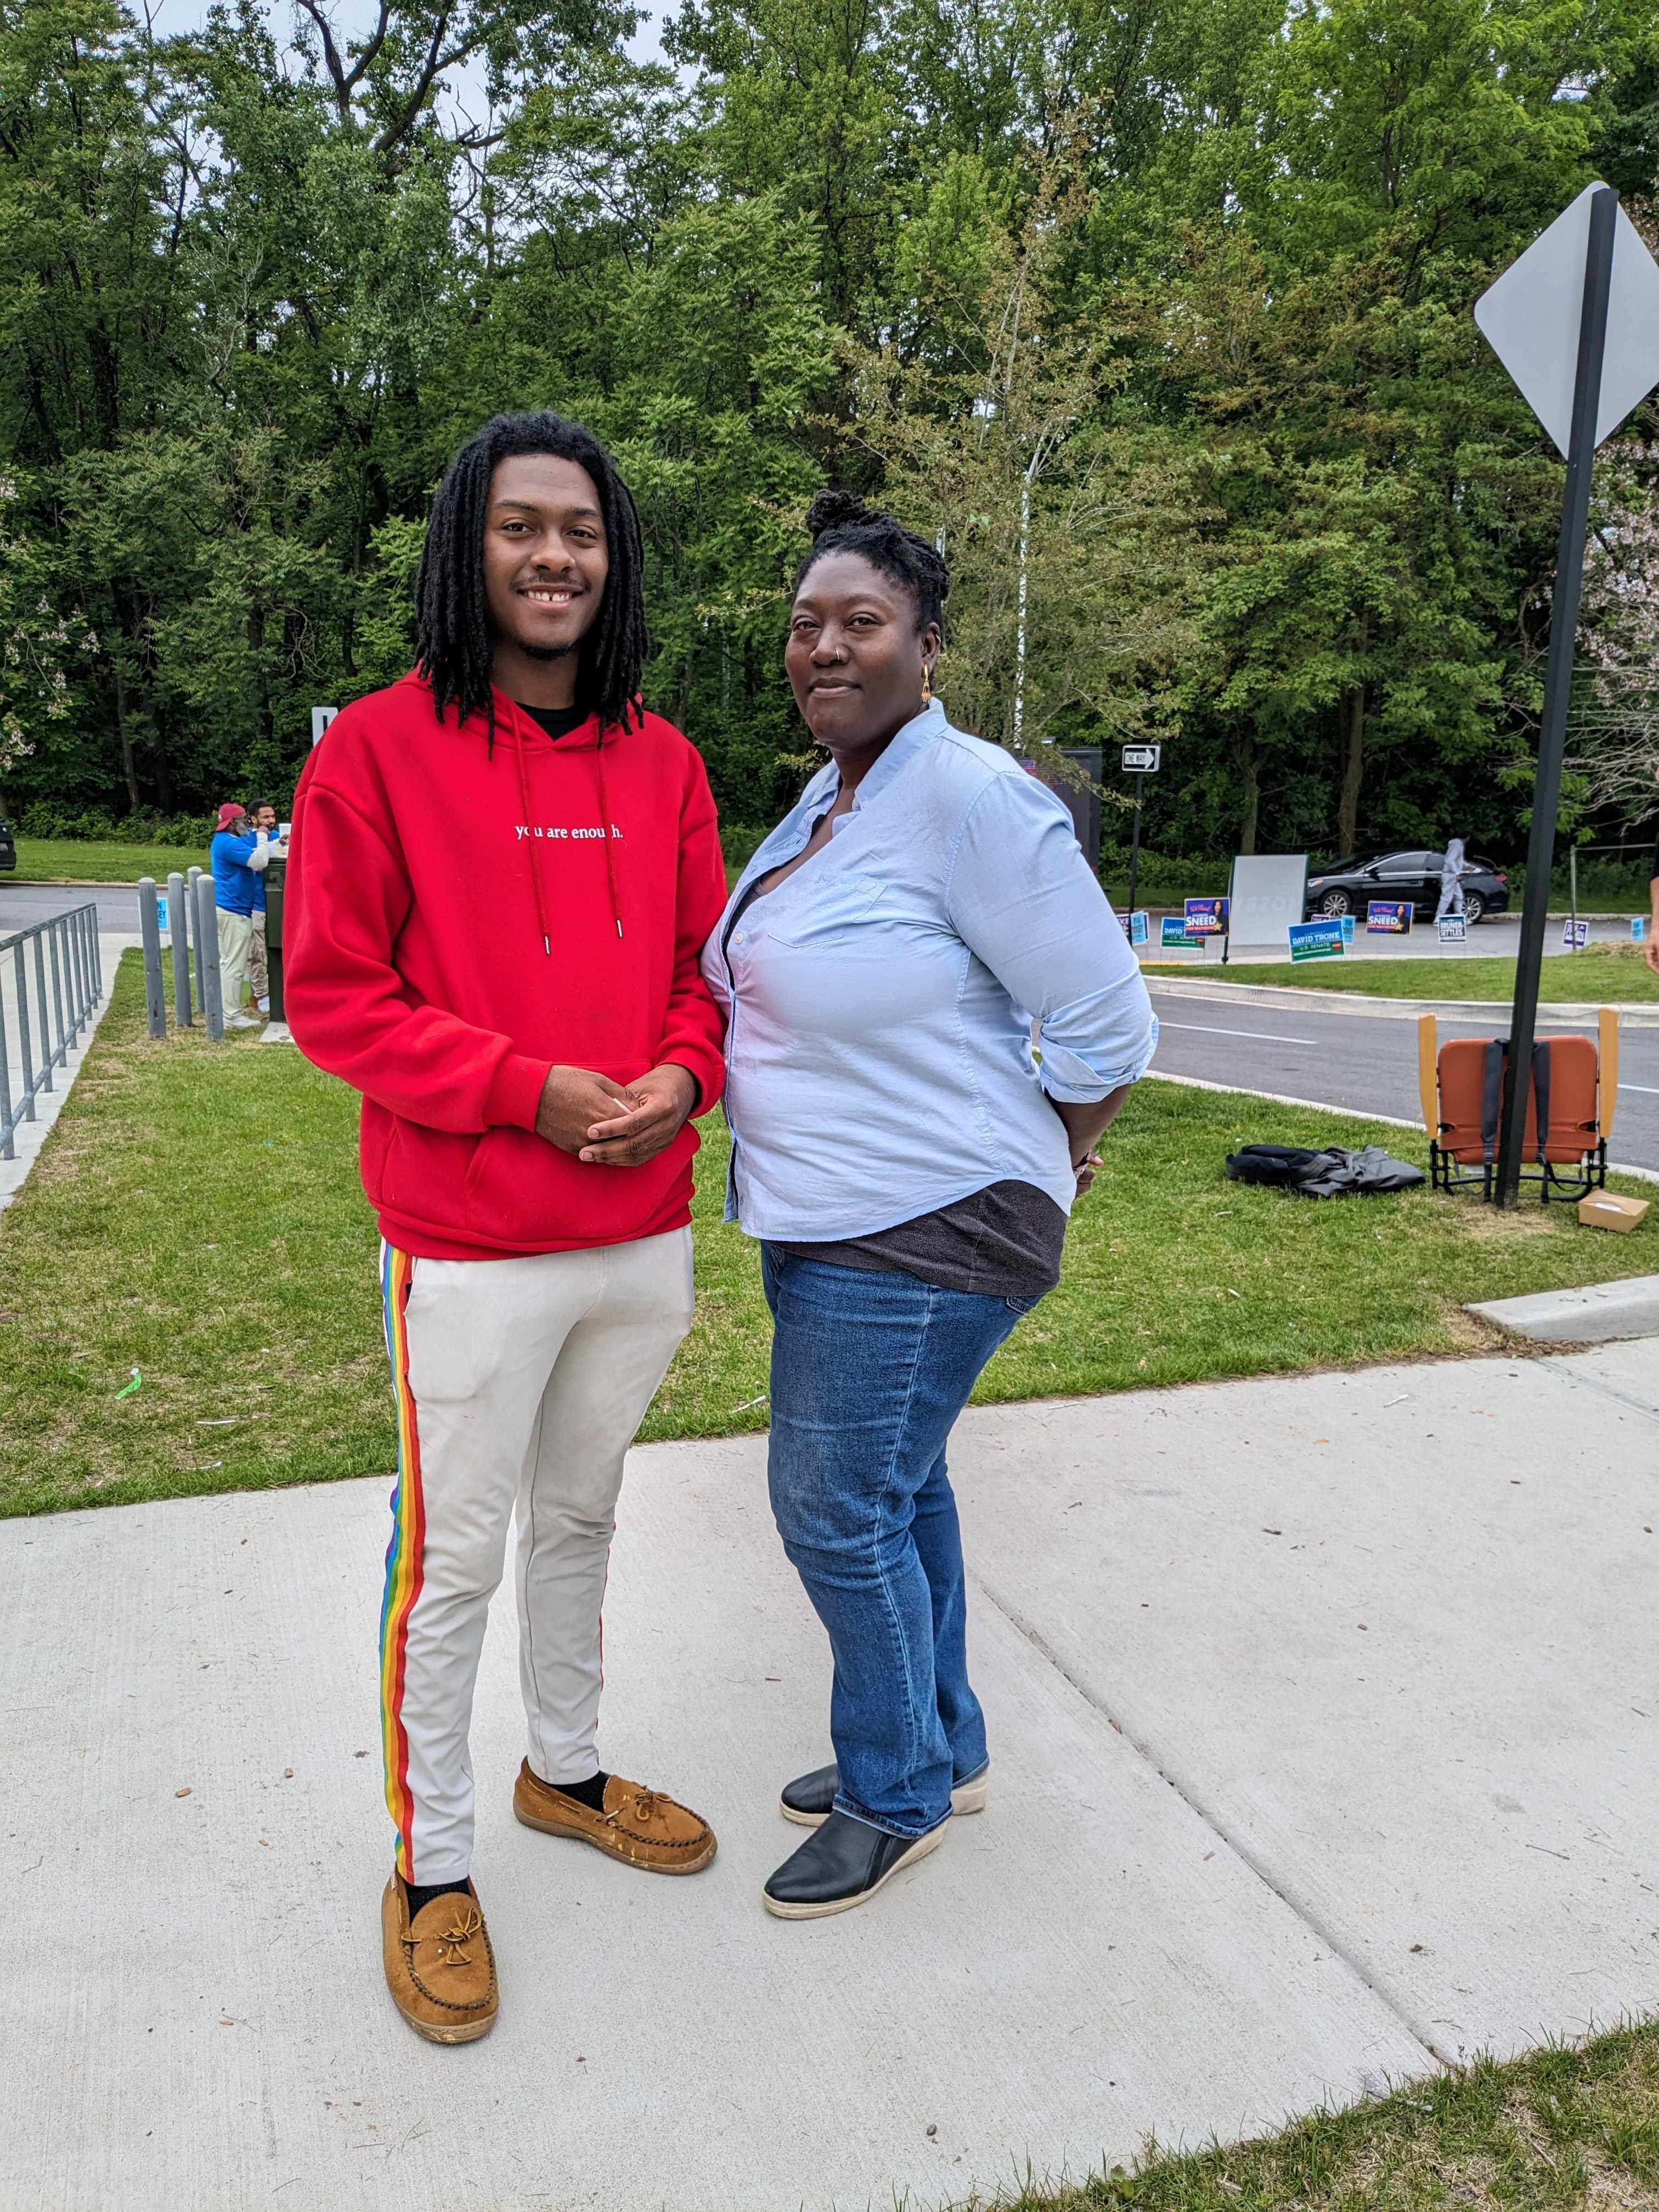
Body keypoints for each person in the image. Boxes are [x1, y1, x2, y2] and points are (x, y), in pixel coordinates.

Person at [284, 412, 729, 2044]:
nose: (556, 557)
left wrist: (684, 1081)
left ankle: (567, 1771)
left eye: (585, 533)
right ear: (468, 544)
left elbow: (705, 975)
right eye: (523, 527)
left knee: (583, 1521)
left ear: (615, 563)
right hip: (468, 1237)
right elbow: (334, 997)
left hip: (639, 1232)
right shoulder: (377, 753)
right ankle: (428, 1868)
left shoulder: (664, 760)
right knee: (449, 1557)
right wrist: (521, 1088)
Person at [702, 492, 1158, 1920]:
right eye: (806, 625)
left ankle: (892, 1789)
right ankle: (938, 1739)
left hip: (929, 1227)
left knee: (835, 1507)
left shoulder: (971, 796)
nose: (825, 646)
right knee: (901, 1491)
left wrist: (1061, 1148)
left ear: (926, 644)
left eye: (862, 622)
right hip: (835, 1220)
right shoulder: (834, 798)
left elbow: (1105, 1020)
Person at [207, 801, 270, 1028]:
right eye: (244, 818)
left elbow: (251, 852)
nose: (248, 822)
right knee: (234, 967)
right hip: (235, 911)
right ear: (233, 823)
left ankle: (226, 1013)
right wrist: (263, 836)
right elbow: (259, 861)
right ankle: (231, 1017)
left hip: (230, 909)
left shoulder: (227, 841)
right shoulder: (228, 844)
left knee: (229, 964)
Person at [245, 799, 285, 1013]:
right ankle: (261, 996)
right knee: (257, 953)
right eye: (265, 817)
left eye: (272, 817)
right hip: (256, 905)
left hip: (278, 904)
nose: (271, 821)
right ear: (253, 819)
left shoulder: (280, 837)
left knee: (280, 951)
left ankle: (281, 993)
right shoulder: (246, 840)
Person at [1435, 836, 1468, 920]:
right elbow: (1450, 860)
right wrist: (1457, 873)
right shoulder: (1458, 846)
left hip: (1451, 874)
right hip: (1450, 875)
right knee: (1447, 897)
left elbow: (1458, 860)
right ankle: (1438, 918)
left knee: (1458, 896)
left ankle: (1459, 916)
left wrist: (1467, 866)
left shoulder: (1455, 845)